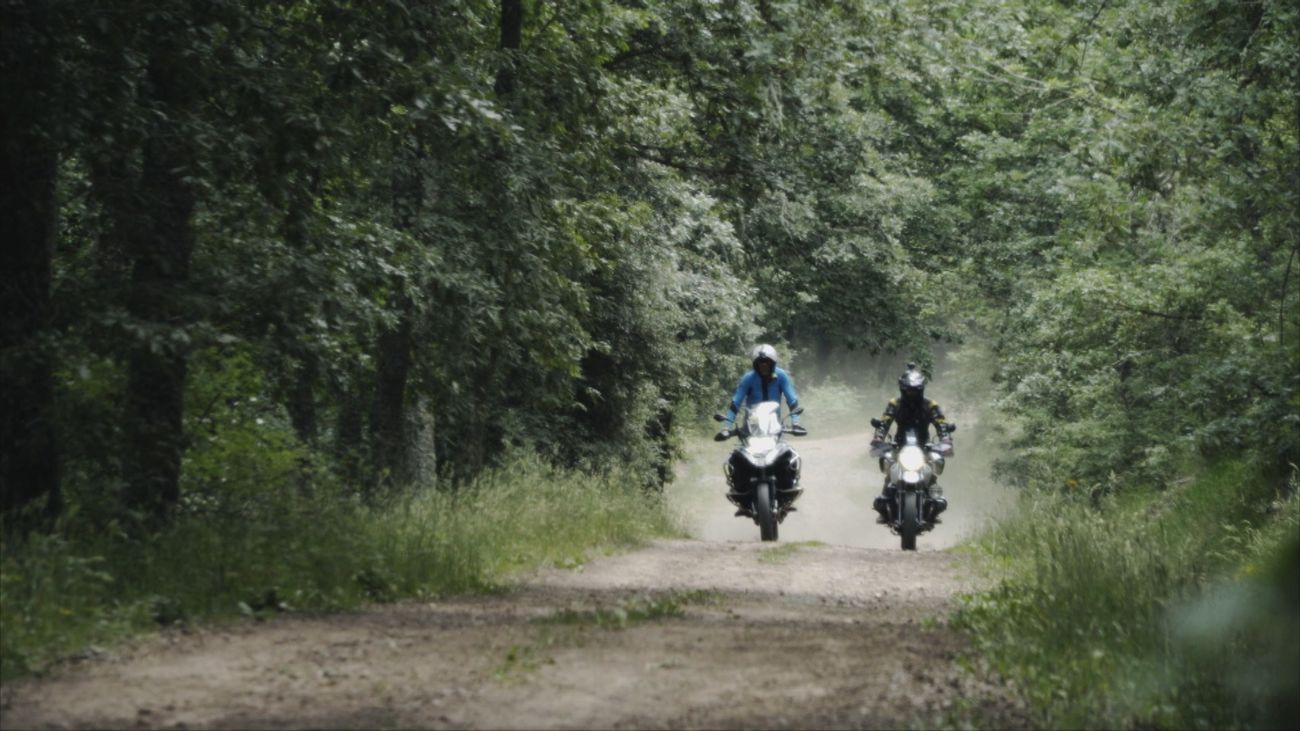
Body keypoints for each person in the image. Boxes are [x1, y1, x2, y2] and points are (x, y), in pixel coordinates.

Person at [716, 344, 805, 514]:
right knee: (737, 459)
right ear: (755, 364)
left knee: (787, 456)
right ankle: (741, 493)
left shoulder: (781, 376)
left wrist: (796, 422)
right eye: (760, 363)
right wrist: (726, 426)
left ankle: (787, 491)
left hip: (774, 428)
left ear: (773, 363)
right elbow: (735, 403)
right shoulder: (748, 378)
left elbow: (792, 400)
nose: (763, 366)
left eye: (766, 363)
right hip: (751, 428)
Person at [871, 363, 953, 524]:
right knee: (888, 465)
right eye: (909, 389)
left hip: (924, 446)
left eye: (915, 390)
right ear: (903, 388)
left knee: (935, 465)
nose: (912, 393)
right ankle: (885, 502)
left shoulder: (931, 405)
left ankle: (933, 502)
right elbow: (885, 421)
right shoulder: (895, 403)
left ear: (921, 389)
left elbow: (941, 423)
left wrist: (945, 438)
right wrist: (879, 437)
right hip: (900, 445)